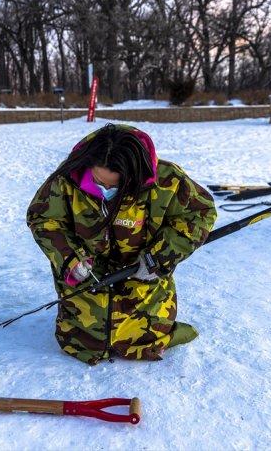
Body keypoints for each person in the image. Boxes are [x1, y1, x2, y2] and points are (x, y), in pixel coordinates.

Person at [26, 123, 216, 365]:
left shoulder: (167, 180)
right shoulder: (66, 179)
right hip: (84, 292)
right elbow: (44, 219)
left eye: (114, 185)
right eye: (98, 181)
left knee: (145, 337)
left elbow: (200, 213)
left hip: (144, 290)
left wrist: (159, 257)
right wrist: (69, 257)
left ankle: (144, 339)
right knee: (82, 338)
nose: (105, 189)